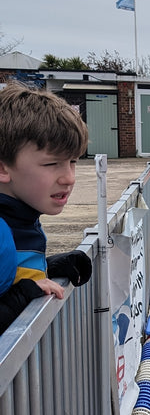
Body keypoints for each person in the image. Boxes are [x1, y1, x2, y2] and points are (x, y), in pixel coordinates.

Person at [0, 83, 93, 335]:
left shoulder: (19, 217)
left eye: (72, 161)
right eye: (52, 163)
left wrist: (49, 268)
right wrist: (20, 298)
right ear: (3, 168)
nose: (69, 178)